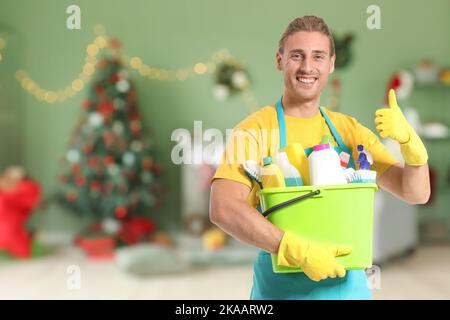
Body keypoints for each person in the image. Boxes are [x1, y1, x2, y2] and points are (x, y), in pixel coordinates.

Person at [209, 16, 430, 300]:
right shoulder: (254, 131)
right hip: (281, 292)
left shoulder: (348, 131)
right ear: (280, 60)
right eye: (296, 56)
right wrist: (296, 251)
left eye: (318, 56)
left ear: (331, 64)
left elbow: (416, 192)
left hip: (349, 291)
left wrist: (412, 146)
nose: (307, 67)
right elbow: (223, 208)